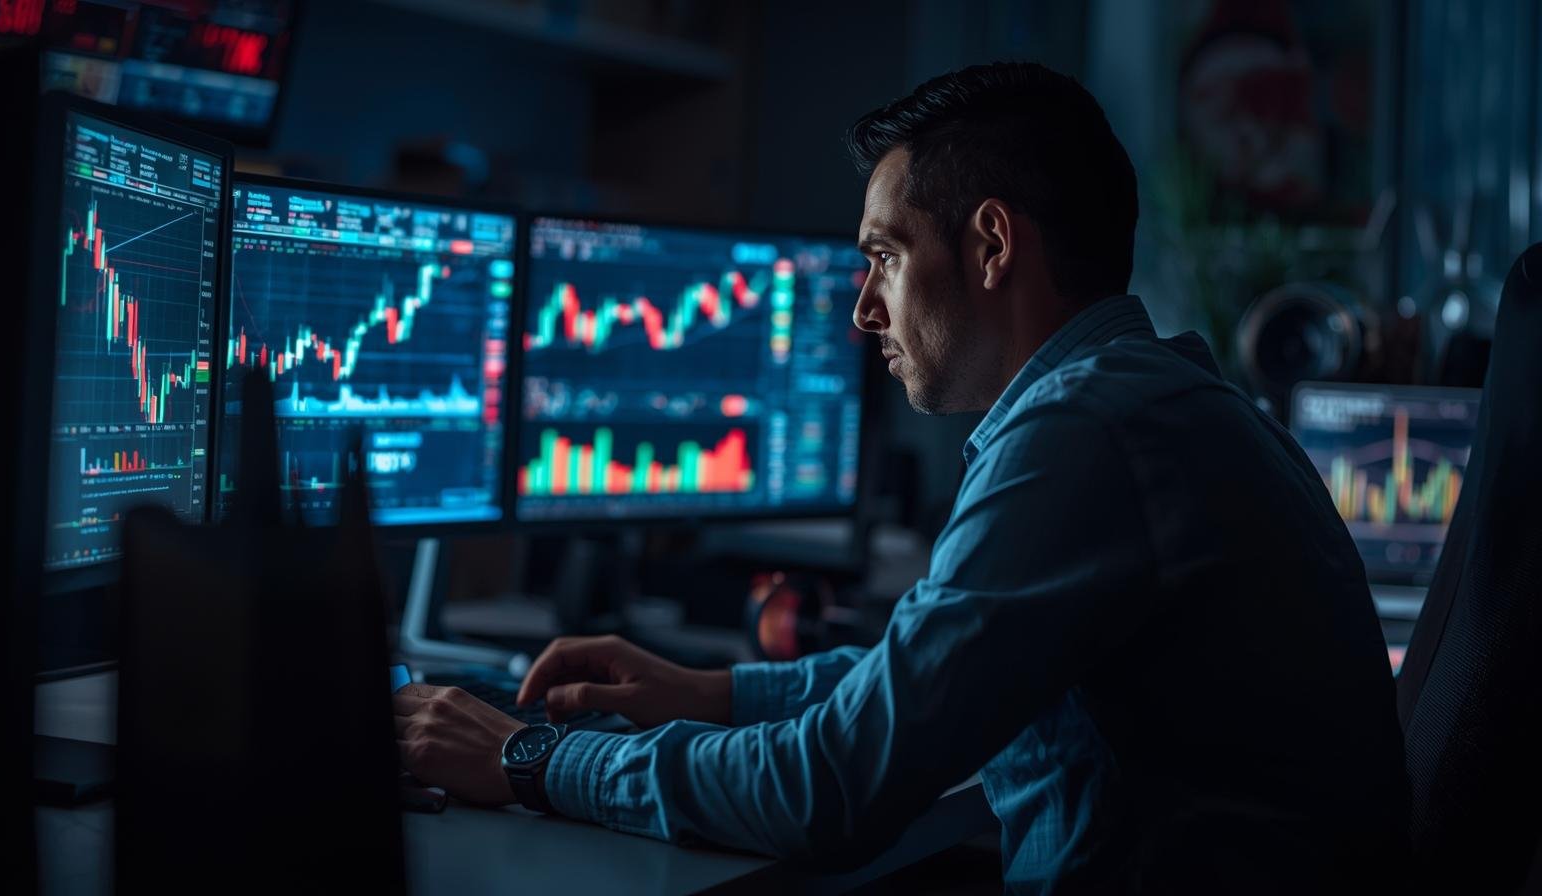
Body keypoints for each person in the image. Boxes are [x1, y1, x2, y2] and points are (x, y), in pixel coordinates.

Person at [393, 61, 1409, 893]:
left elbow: (832, 782)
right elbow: (932, 675)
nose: (862, 311)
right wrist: (711, 689)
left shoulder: (1085, 431)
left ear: (991, 245)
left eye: (882, 255)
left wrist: (529, 759)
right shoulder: (1157, 398)